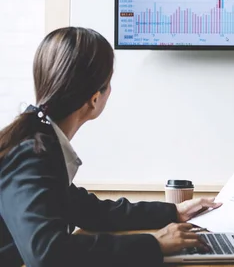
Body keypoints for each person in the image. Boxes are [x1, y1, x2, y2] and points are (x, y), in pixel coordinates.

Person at [0, 27, 221, 267]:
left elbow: (89, 211)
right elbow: (47, 254)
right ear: (94, 99)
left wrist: (174, 212)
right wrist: (154, 243)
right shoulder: (31, 154)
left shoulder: (37, 141)